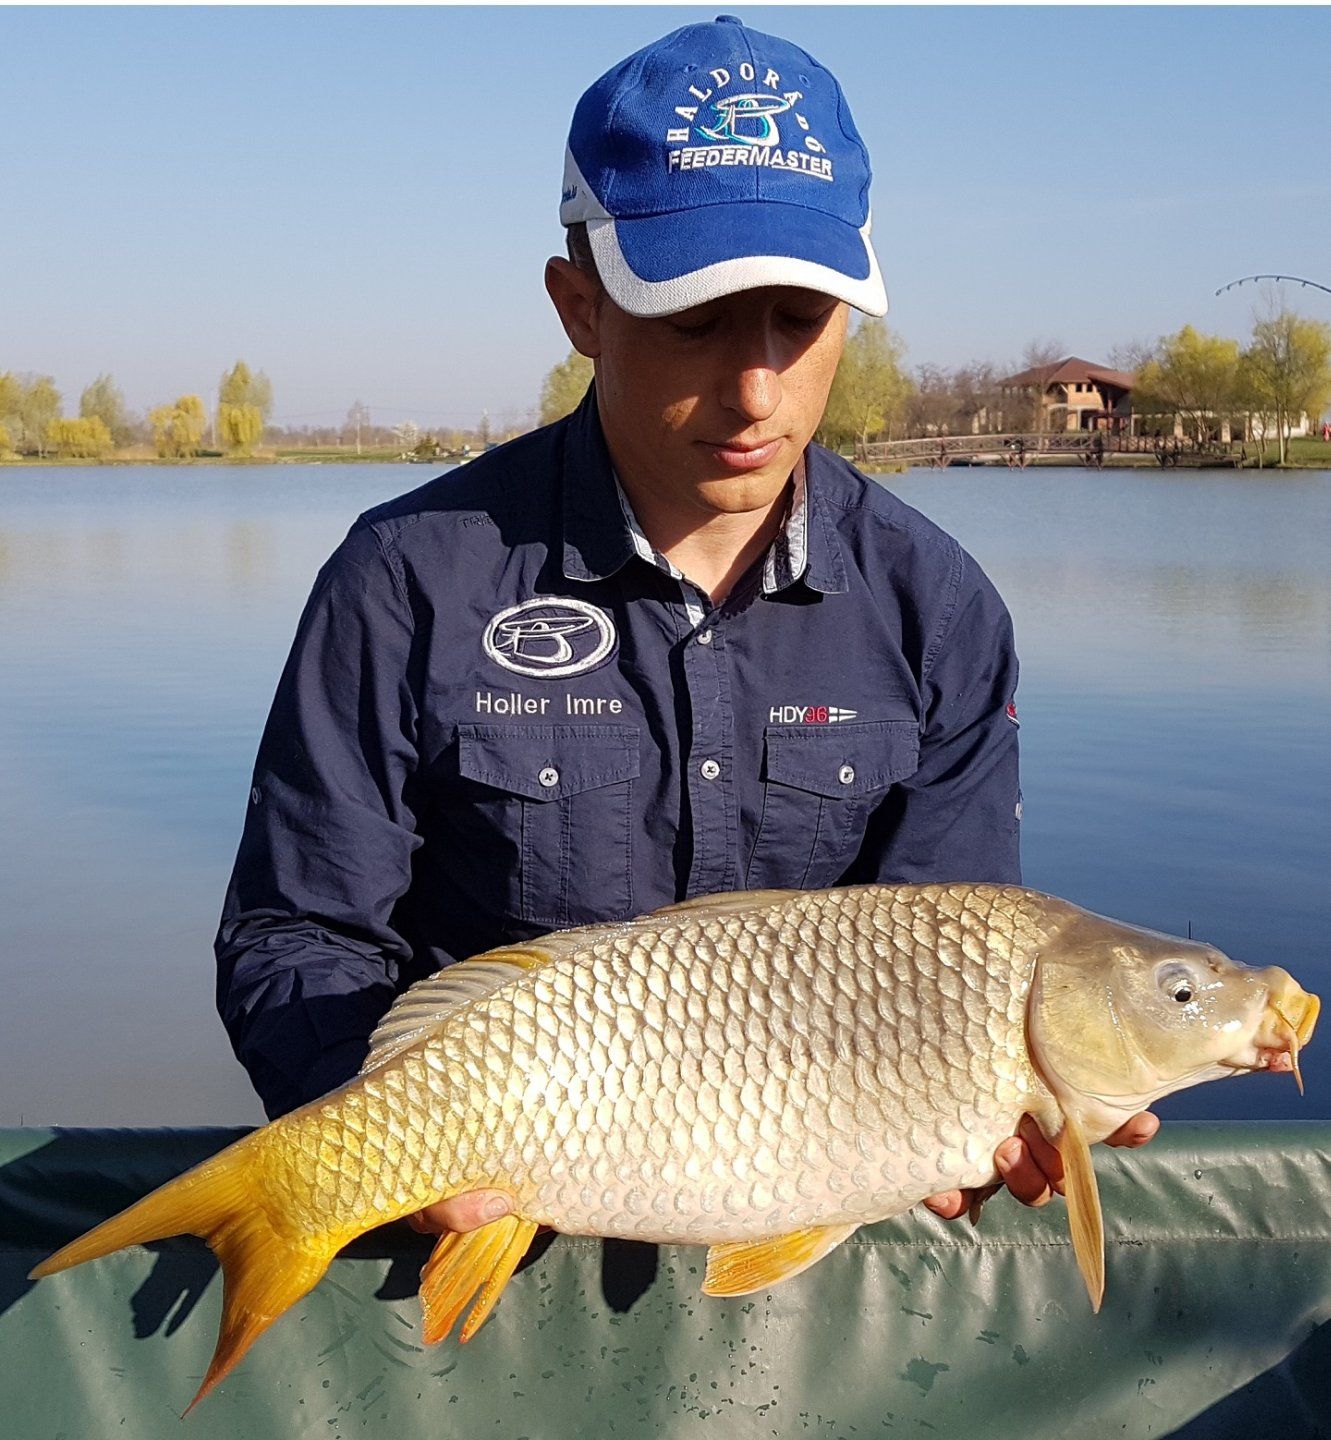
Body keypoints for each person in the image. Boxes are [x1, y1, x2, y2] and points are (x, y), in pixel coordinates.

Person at [216, 15, 1155, 1243]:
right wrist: (387, 1147)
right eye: (695, 320)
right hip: (475, 1239)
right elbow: (297, 936)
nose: (755, 388)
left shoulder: (942, 611)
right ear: (579, 307)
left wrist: (986, 1127)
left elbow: (950, 962)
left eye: (798, 319)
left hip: (811, 1252)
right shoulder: (404, 580)